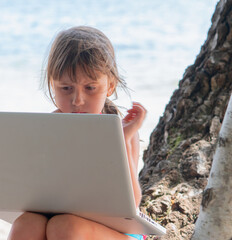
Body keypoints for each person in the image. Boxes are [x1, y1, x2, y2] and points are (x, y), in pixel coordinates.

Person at [8, 26, 147, 240]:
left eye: (90, 88)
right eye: (66, 88)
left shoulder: (122, 130)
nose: (77, 100)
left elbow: (133, 204)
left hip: (117, 233)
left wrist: (123, 140)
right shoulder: (47, 128)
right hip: (63, 222)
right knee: (26, 224)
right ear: (53, 86)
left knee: (65, 227)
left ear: (110, 86)